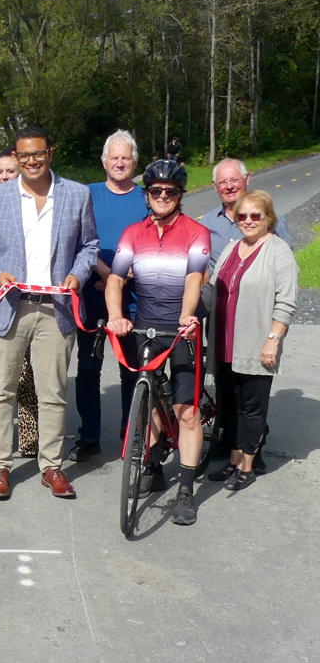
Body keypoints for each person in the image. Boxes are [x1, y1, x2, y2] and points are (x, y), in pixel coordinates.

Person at [0, 126, 99, 501]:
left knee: (53, 392)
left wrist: (78, 273)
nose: (31, 162)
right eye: (23, 156)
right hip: (8, 307)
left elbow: (90, 245)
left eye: (38, 154)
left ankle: (51, 466)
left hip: (56, 310)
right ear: (16, 156)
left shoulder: (77, 194)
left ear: (50, 153)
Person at [105, 159, 211, 526]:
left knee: (187, 410)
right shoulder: (133, 233)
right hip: (145, 322)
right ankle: (152, 465)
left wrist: (187, 315)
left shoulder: (197, 232)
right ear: (147, 194)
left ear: (180, 195)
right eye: (155, 191)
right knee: (146, 398)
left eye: (171, 191)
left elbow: (195, 277)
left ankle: (185, 490)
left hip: (182, 325)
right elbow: (116, 280)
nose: (163, 196)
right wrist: (118, 317)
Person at [204, 190, 298, 491]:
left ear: (268, 218)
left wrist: (273, 341)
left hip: (256, 345)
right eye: (242, 216)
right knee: (229, 405)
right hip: (225, 345)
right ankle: (233, 458)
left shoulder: (278, 250)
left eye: (255, 215)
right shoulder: (233, 249)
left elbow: (286, 302)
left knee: (251, 408)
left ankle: (247, 464)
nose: (248, 221)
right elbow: (212, 288)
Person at [71, 130, 148, 461]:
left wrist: (127, 273)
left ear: (135, 162)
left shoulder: (147, 197)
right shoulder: (87, 195)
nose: (119, 163)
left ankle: (130, 435)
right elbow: (77, 240)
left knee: (131, 368)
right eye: (114, 157)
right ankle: (88, 435)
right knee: (88, 367)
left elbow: (154, 240)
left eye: (126, 157)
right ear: (103, 161)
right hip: (93, 293)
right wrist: (107, 274)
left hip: (135, 296)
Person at [0, 150, 39, 457]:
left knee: (25, 378)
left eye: (10, 171)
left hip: (29, 306)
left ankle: (29, 439)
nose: (4, 176)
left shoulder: (29, 206)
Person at [201, 157, 291, 274]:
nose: (229, 186)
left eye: (234, 180)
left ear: (247, 179)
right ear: (215, 186)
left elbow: (287, 266)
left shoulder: (270, 220)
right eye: (223, 182)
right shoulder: (206, 224)